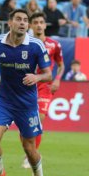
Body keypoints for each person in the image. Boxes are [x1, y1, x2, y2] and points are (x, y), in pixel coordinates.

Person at [0, 9, 52, 176]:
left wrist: (37, 78)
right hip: (4, 101)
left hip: (27, 104)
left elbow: (48, 74)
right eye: (19, 19)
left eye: (25, 20)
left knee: (29, 148)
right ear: (10, 23)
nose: (23, 23)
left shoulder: (36, 46)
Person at [21, 12, 64, 168]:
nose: (39, 25)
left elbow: (61, 65)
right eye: (36, 22)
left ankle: (30, 155)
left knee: (39, 120)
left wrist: (57, 80)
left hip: (45, 86)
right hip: (27, 85)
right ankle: (29, 151)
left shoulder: (54, 45)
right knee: (27, 123)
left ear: (45, 25)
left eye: (41, 22)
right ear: (31, 26)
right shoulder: (25, 44)